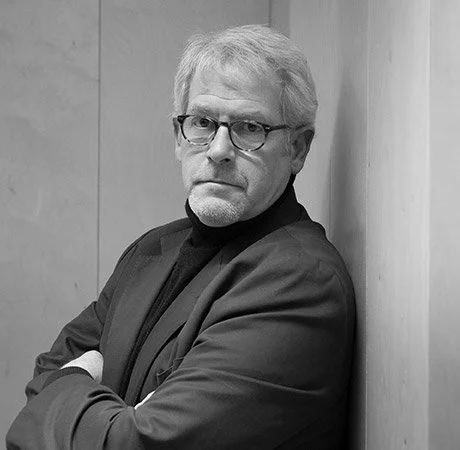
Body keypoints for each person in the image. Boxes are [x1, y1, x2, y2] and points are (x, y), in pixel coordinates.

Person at [6, 24, 355, 449]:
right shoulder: (151, 250)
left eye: (250, 128)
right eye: (203, 122)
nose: (219, 149)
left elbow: (133, 443)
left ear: (297, 149)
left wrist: (74, 384)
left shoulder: (300, 283)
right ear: (178, 136)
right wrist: (112, 414)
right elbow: (36, 397)